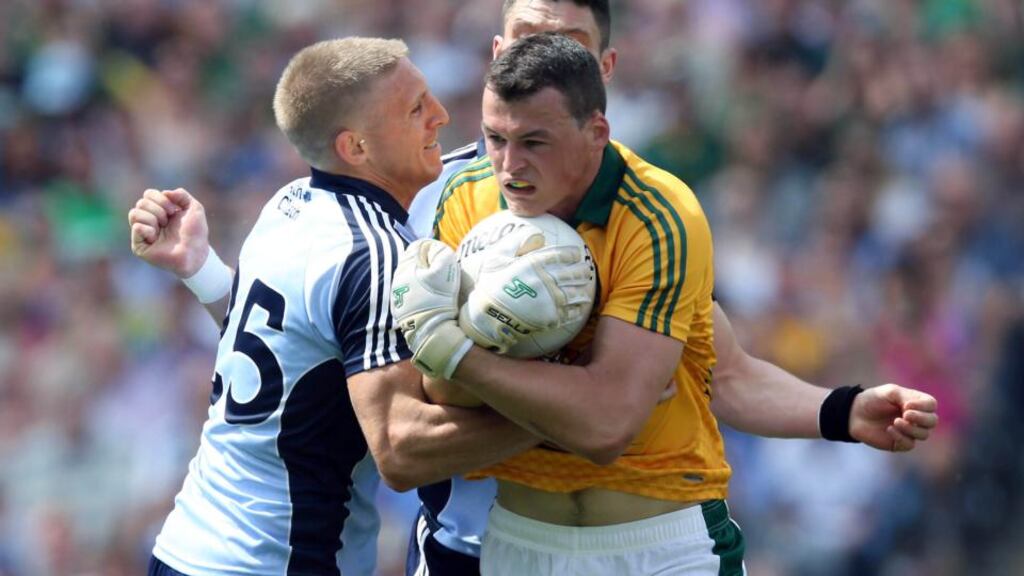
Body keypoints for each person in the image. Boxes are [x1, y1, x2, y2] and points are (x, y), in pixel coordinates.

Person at [132, 2, 938, 574]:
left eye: (565, 47)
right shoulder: (423, 200)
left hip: (652, 533)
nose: (538, 59)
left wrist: (836, 410)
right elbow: (329, 356)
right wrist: (207, 276)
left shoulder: (653, 212)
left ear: (601, 83)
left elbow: (716, 368)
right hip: (477, 543)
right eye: (523, 40)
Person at [394, 32, 937, 575]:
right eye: (494, 138)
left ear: (596, 131)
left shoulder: (658, 214)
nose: (509, 165)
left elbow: (610, 428)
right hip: (519, 539)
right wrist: (469, 363)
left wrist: (457, 349)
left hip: (660, 547)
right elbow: (442, 399)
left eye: (534, 143)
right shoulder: (465, 196)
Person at [129, 37, 542, 576]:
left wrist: (202, 270)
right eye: (415, 108)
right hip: (276, 564)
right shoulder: (374, 256)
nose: (440, 117)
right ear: (356, 148)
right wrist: (565, 420)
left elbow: (289, 358)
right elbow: (400, 450)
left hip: (186, 546)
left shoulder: (288, 203)